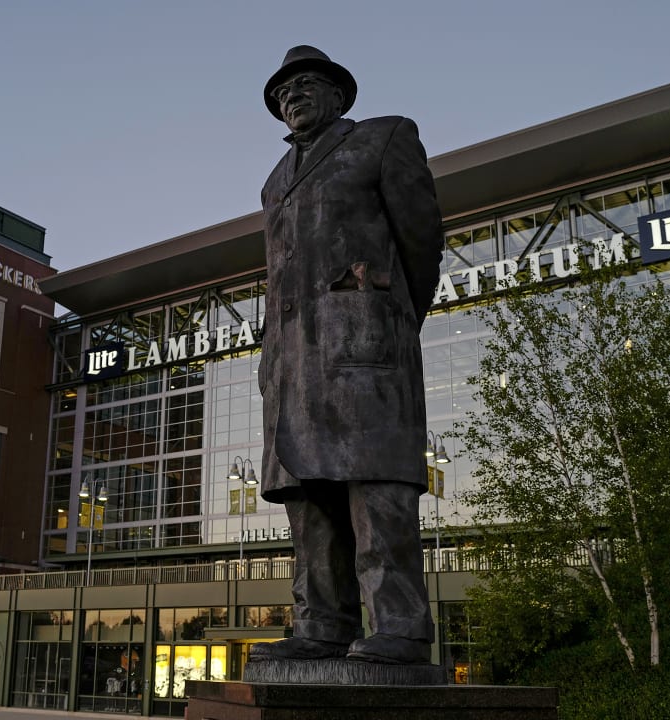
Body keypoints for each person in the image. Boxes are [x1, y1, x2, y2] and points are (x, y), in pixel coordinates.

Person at [251, 46, 443, 665]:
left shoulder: (383, 139)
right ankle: (321, 626)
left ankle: (401, 627)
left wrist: (384, 313)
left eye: (306, 85)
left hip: (362, 346)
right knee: (308, 500)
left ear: (339, 95)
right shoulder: (274, 181)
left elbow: (421, 243)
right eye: (284, 92)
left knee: (375, 487)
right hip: (291, 363)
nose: (293, 96)